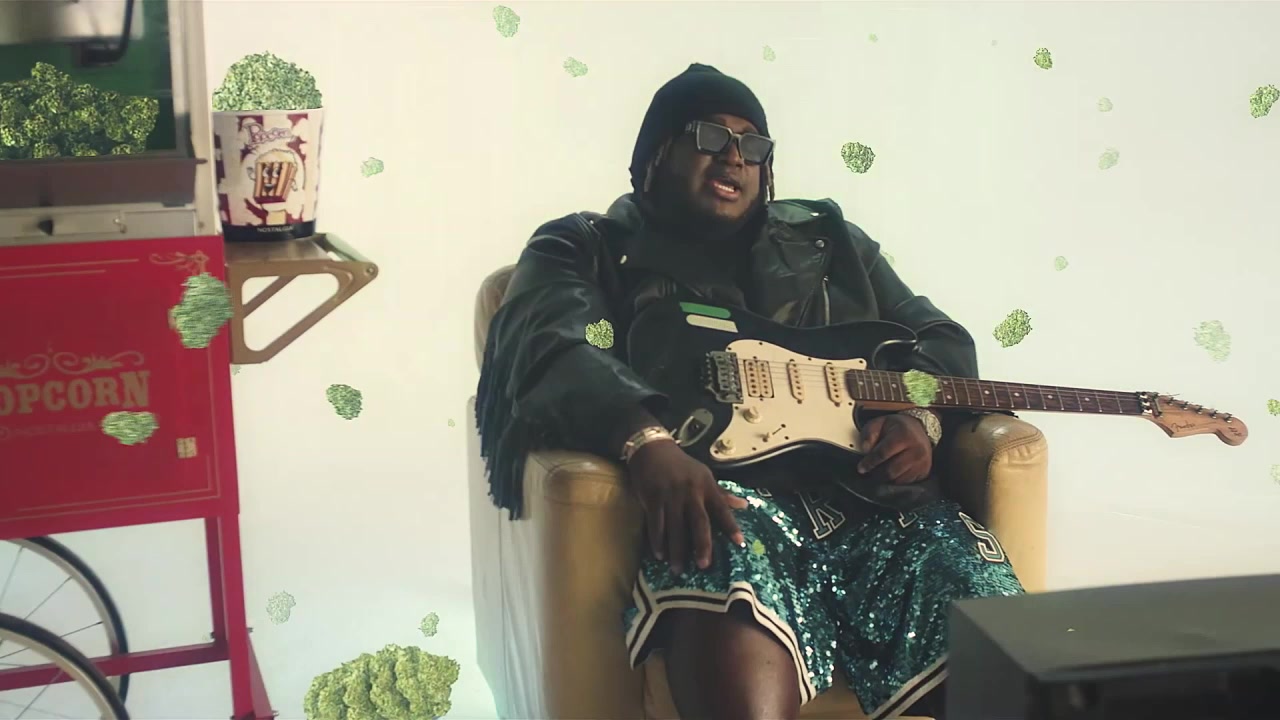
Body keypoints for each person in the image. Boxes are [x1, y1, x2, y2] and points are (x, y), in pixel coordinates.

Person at [476, 63, 1023, 720]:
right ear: (656, 155)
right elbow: (554, 346)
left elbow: (938, 338)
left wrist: (918, 419)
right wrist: (645, 440)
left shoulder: (832, 244)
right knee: (717, 551)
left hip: (878, 506)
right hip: (728, 503)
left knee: (999, 641)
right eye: (709, 136)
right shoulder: (586, 248)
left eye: (753, 144)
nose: (735, 157)